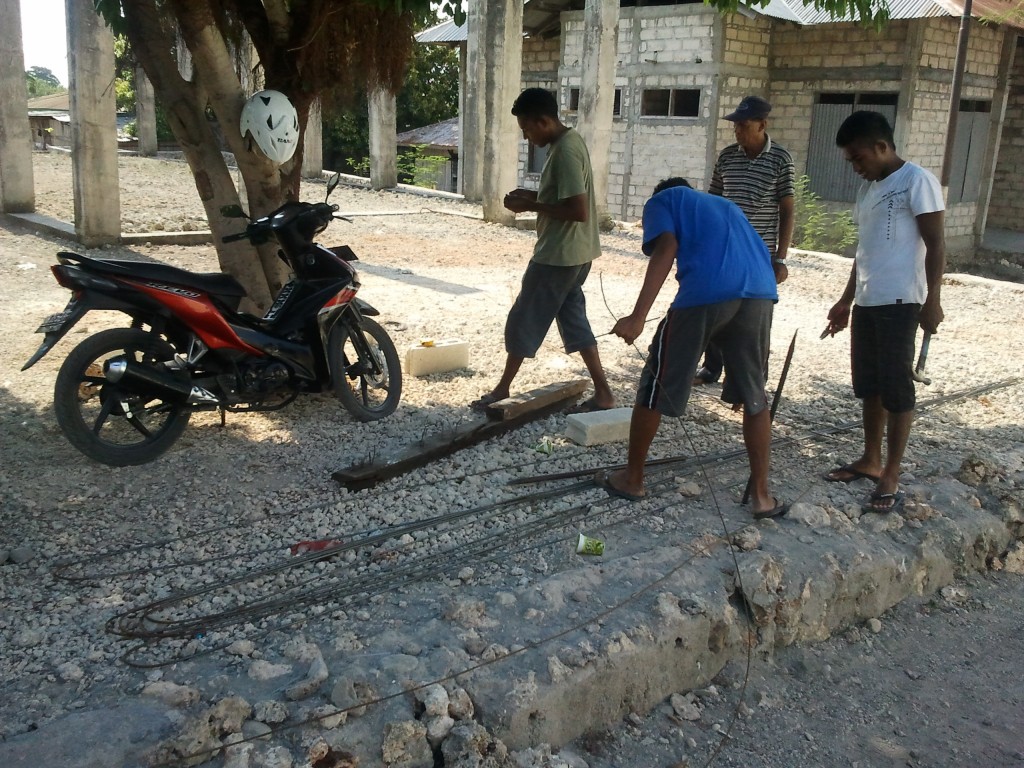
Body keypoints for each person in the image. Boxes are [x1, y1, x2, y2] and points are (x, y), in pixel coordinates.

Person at [597, 178, 785, 520]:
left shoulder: (663, 201)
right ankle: (761, 496)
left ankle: (633, 478)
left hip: (707, 292)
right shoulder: (724, 205)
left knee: (656, 383)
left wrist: (638, 317)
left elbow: (666, 248)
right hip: (760, 292)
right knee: (755, 396)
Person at [822, 111, 945, 514]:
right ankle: (870, 459)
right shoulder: (869, 190)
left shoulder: (917, 182)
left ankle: (891, 470)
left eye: (859, 158)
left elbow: (936, 243)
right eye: (851, 161)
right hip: (869, 301)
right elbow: (864, 252)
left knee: (896, 387)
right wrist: (846, 300)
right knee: (869, 384)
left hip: (901, 301)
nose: (856, 167)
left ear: (881, 146)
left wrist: (933, 301)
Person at [471, 88, 614, 413]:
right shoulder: (571, 141)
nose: (526, 136)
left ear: (544, 121)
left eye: (527, 128)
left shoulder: (563, 152)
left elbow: (578, 210)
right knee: (574, 320)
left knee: (524, 318)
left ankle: (502, 389)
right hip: (579, 254)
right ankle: (604, 393)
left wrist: (530, 204)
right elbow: (565, 195)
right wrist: (533, 195)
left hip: (557, 256)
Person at [695, 95, 795, 386]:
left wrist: (781, 257)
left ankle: (749, 380)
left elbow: (787, 209)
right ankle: (711, 368)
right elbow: (713, 201)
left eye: (743, 124)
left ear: (762, 124)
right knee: (717, 307)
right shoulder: (727, 156)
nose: (737, 130)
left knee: (754, 317)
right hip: (724, 249)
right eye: (735, 125)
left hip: (759, 253)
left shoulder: (780, 159)